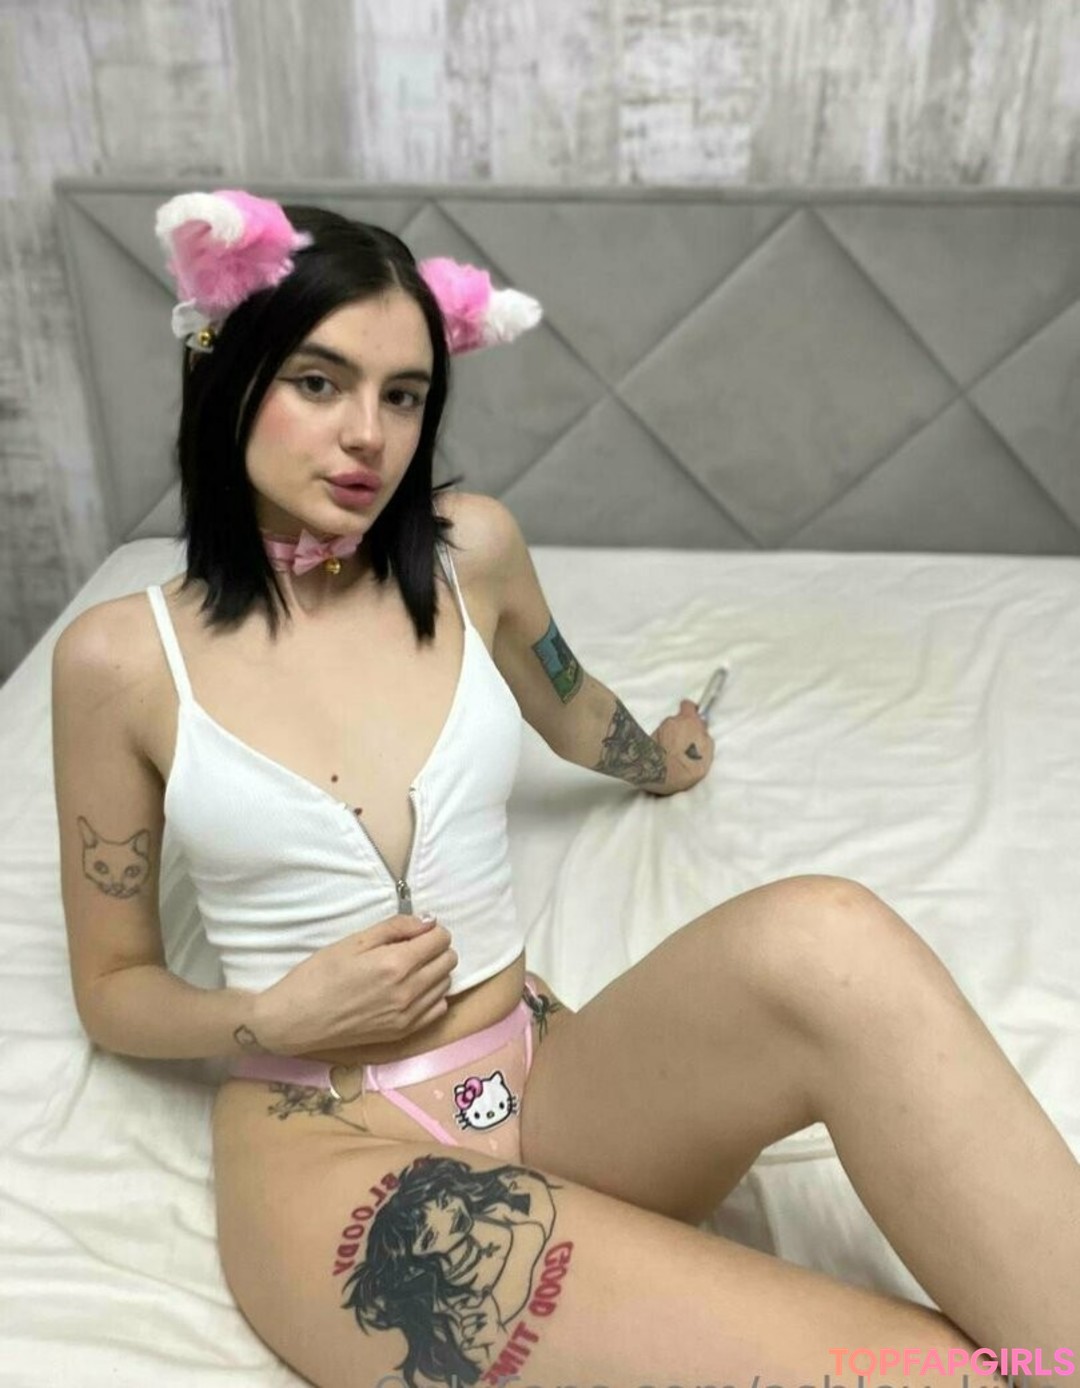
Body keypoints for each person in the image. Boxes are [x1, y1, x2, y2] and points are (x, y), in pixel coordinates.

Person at [51, 189, 1079, 1388]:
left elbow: (570, 701)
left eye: (404, 394)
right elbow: (113, 989)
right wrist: (268, 1018)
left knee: (829, 934)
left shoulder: (470, 552)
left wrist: (666, 758)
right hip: (334, 1146)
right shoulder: (120, 661)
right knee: (936, 1370)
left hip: (541, 1075)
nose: (367, 434)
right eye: (320, 382)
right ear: (226, 375)